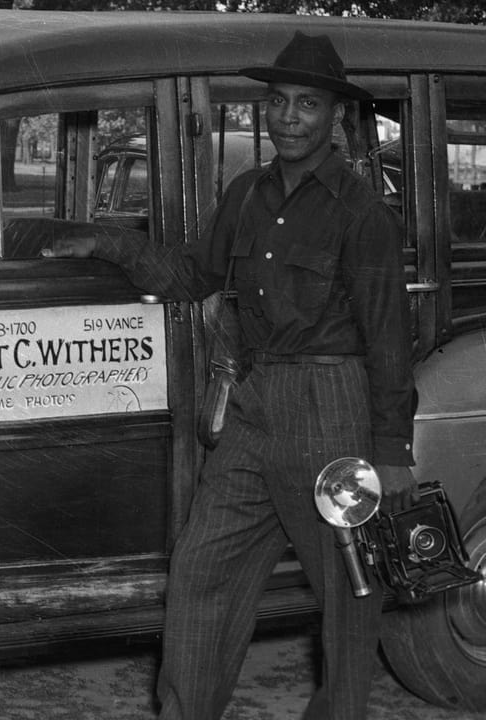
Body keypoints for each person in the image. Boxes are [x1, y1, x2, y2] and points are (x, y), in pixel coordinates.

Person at [51, 32, 419, 720]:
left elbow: (388, 338)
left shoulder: (361, 212)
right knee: (202, 568)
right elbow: (193, 275)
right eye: (278, 102)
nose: (288, 117)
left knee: (350, 589)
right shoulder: (247, 194)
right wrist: (108, 242)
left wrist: (393, 451)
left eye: (307, 104)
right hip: (254, 404)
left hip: (332, 406)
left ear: (335, 114)